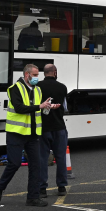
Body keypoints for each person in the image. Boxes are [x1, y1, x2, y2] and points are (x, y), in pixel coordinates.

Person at [0, 64, 56, 207]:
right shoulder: (15, 89)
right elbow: (20, 108)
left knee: (36, 165)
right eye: (34, 75)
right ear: (26, 75)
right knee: (14, 163)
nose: (36, 78)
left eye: (37, 75)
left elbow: (39, 111)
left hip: (33, 134)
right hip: (16, 133)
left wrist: (48, 107)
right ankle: (0, 186)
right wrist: (39, 106)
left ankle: (32, 198)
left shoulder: (38, 90)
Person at [37, 64, 69, 198]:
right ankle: (61, 187)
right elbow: (65, 107)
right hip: (59, 127)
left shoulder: (37, 87)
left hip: (43, 128)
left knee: (42, 159)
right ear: (55, 72)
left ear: (44, 73)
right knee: (61, 157)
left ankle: (42, 189)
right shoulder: (62, 87)